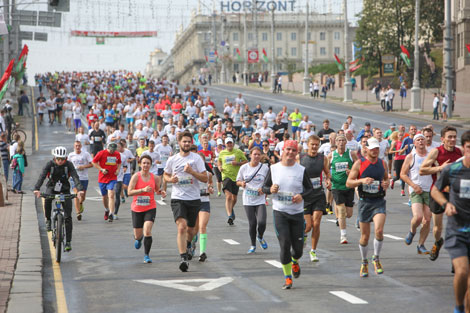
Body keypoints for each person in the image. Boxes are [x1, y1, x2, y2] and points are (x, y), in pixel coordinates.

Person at [262, 140, 313, 289]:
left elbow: (310, 189)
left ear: (297, 153)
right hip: (280, 212)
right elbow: (264, 187)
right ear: (282, 151)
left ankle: (295, 261)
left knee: (297, 250)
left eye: (293, 150)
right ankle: (288, 278)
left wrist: (301, 195)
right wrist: (270, 189)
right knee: (284, 244)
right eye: (288, 149)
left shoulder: (301, 170)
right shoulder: (274, 168)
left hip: (296, 214)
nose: (290, 152)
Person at [430, 130, 470, 313]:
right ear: (464, 149)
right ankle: (459, 307)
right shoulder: (452, 169)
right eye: (469, 148)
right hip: (457, 230)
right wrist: (446, 204)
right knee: (462, 271)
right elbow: (435, 191)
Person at [163, 131, 208, 272]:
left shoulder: (196, 159)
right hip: (178, 198)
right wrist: (170, 180)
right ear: (179, 142)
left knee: (192, 230)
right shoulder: (173, 159)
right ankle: (183, 258)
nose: (187, 144)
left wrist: (192, 172)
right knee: (181, 226)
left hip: (194, 198)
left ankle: (189, 244)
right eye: (184, 141)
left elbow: (205, 178)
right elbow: (165, 174)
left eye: (189, 142)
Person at [346, 137, 389, 277]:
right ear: (366, 149)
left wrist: (385, 184)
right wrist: (361, 180)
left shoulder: (383, 163)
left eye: (377, 148)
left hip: (379, 201)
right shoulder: (359, 163)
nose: (375, 151)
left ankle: (376, 258)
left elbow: (386, 179)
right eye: (372, 149)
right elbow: (349, 183)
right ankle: (364, 262)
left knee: (379, 230)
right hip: (365, 202)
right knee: (364, 237)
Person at [420, 126, 462, 261]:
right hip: (438, 193)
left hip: (456, 194)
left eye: (454, 137)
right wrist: (440, 168)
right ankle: (438, 242)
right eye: (449, 137)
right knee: (437, 228)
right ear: (442, 139)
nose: (453, 139)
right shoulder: (436, 152)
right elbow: (422, 170)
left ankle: (456, 258)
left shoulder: (460, 152)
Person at [33, 146, 84, 252]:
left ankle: (68, 242)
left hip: (65, 189)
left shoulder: (69, 165)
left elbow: (75, 177)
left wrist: (79, 190)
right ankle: (48, 220)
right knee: (47, 199)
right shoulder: (49, 165)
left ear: (65, 158)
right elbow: (42, 176)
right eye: (58, 159)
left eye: (62, 159)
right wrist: (37, 189)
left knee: (68, 217)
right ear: (54, 158)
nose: (60, 161)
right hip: (52, 187)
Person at [399, 134, 433, 254]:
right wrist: (413, 185)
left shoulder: (431, 155)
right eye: (418, 140)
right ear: (414, 143)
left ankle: (421, 245)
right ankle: (412, 231)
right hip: (416, 190)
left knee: (427, 219)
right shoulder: (410, 156)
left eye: (422, 139)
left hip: (429, 190)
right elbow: (402, 174)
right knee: (418, 217)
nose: (420, 141)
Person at [128, 154, 164, 263]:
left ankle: (146, 255)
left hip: (150, 207)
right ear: (140, 164)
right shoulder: (136, 176)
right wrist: (142, 190)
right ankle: (139, 239)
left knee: (147, 231)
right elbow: (129, 192)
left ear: (151, 165)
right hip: (137, 208)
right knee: (138, 235)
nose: (146, 165)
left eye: (148, 163)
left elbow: (157, 190)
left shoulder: (155, 177)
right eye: (144, 163)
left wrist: (161, 192)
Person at [301, 135, 331, 262]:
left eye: (316, 145)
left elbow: (327, 172)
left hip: (318, 194)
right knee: (308, 226)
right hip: (305, 196)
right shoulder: (300, 158)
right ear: (308, 145)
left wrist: (328, 180)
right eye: (312, 144)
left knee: (316, 223)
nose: (314, 147)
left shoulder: (322, 158)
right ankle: (304, 235)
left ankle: (313, 251)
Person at [236, 147, 270, 253]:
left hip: (260, 199)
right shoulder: (244, 168)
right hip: (248, 199)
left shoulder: (265, 168)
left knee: (262, 222)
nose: (256, 156)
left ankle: (260, 236)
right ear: (250, 155)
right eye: (254, 154)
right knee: (252, 223)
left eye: (259, 154)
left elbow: (269, 183)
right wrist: (242, 183)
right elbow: (237, 181)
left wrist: (263, 189)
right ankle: (253, 245)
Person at [329, 135, 358, 243]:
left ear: (346, 142)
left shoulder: (351, 154)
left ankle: (340, 216)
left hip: (348, 186)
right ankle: (343, 236)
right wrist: (328, 179)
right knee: (341, 211)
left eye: (343, 140)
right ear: (336, 142)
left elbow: (359, 166)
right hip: (336, 186)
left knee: (349, 214)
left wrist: (352, 172)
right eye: (339, 140)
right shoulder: (331, 155)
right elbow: (326, 169)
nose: (341, 142)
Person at [218, 137, 248, 225]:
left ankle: (230, 209)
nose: (229, 145)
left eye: (230, 143)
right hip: (226, 176)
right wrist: (219, 167)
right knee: (229, 196)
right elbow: (219, 161)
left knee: (234, 198)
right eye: (227, 143)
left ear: (233, 144)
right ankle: (230, 216)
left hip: (236, 177)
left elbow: (246, 161)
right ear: (225, 144)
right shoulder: (222, 153)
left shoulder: (238, 152)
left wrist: (237, 163)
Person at [92, 142, 122, 222]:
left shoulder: (117, 154)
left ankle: (111, 214)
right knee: (104, 196)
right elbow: (94, 162)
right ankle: (106, 209)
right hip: (102, 178)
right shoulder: (101, 153)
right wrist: (101, 169)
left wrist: (118, 170)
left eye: (113, 150)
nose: (112, 152)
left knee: (111, 194)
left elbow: (119, 162)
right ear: (107, 148)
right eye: (111, 150)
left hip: (112, 177)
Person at [194, 152, 214, 262]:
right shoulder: (191, 173)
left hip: (205, 201)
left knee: (202, 226)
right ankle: (192, 243)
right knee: (193, 228)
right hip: (193, 201)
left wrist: (210, 188)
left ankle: (202, 252)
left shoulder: (208, 174)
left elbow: (210, 183)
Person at [68, 141, 93, 221]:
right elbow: (67, 165)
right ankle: (78, 212)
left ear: (81, 146)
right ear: (74, 146)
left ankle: (81, 203)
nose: (77, 147)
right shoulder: (71, 155)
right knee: (76, 194)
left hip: (84, 178)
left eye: (79, 146)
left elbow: (91, 164)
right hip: (74, 178)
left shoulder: (86, 154)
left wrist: (83, 166)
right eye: (76, 146)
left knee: (82, 196)